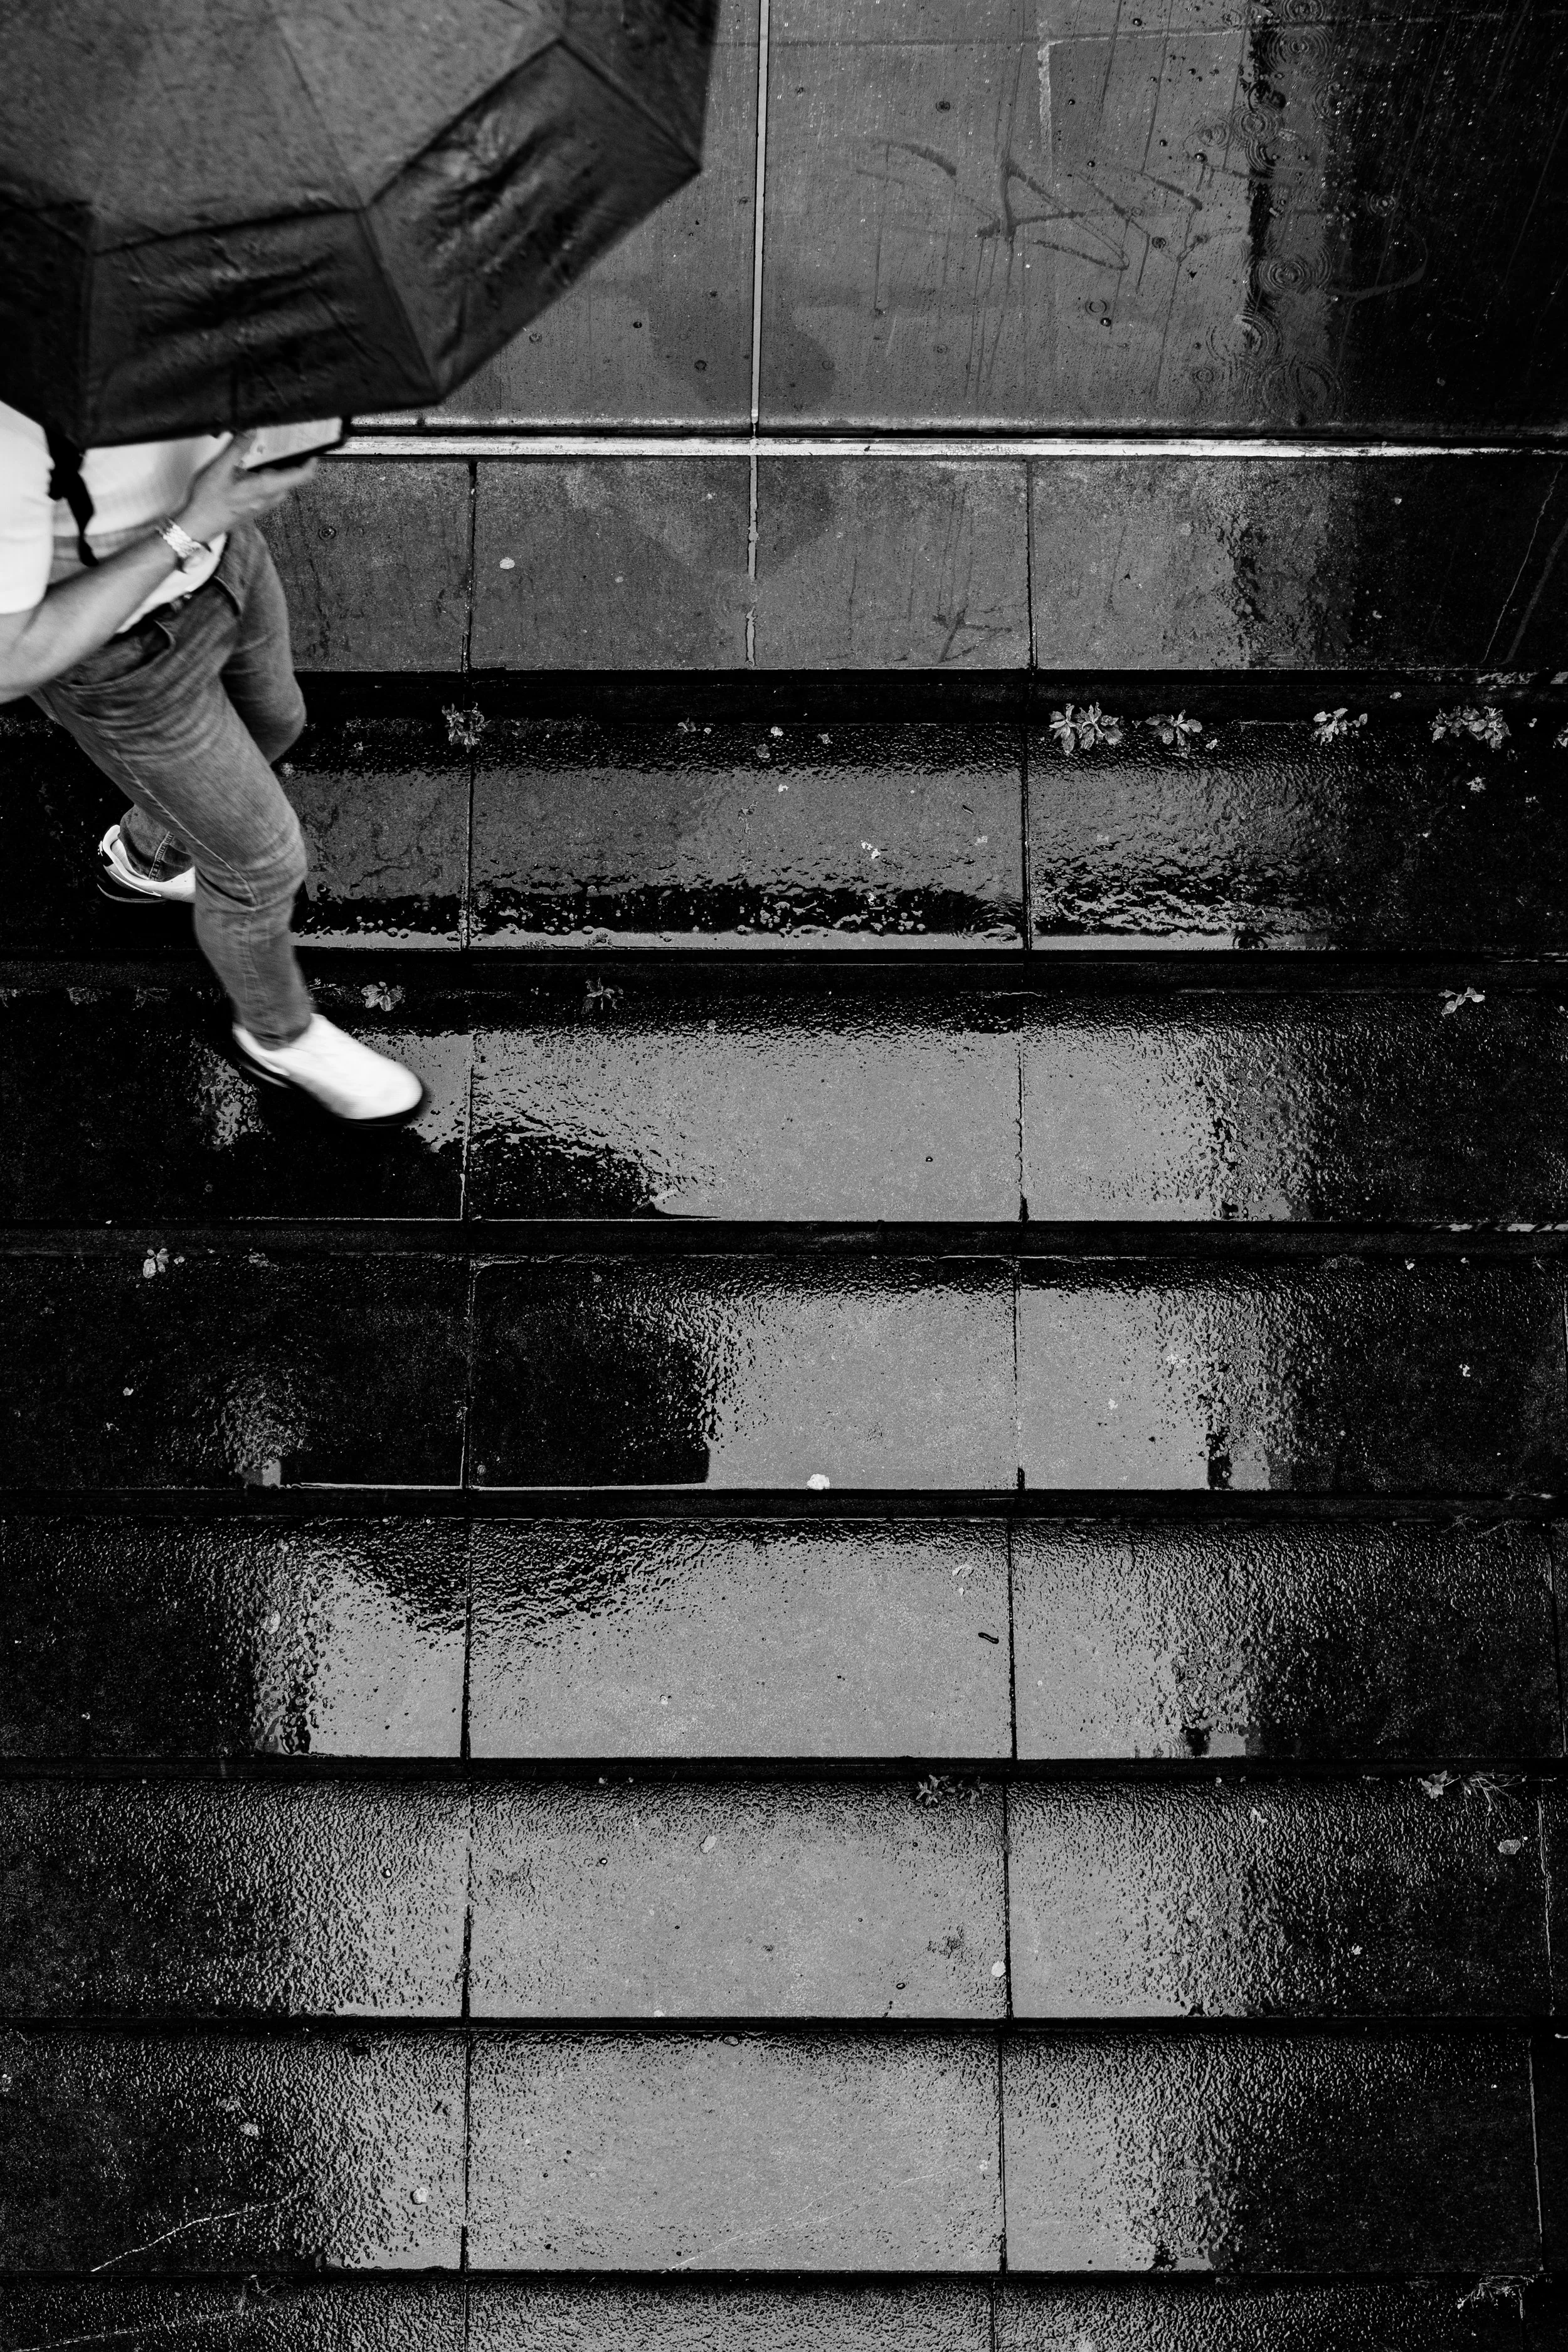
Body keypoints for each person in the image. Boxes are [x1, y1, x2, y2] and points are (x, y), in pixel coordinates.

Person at [0, 406, 423, 1121]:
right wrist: (192, 522)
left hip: (227, 556)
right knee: (260, 869)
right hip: (122, 653)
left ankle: (146, 858)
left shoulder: (137, 338)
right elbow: (9, 662)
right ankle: (278, 1037)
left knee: (274, 722)